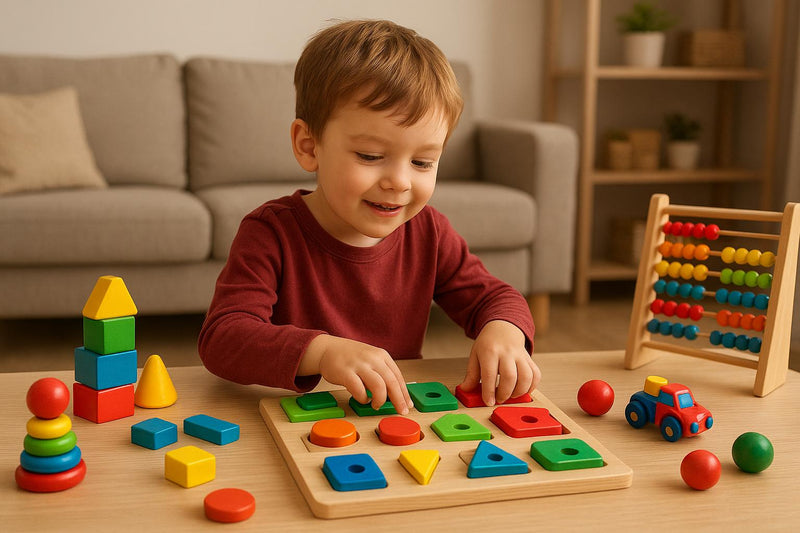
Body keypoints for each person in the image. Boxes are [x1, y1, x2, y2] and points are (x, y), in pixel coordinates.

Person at [198, 19, 539, 415]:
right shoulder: (270, 232)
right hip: (297, 421)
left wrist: (504, 330)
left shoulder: (428, 231)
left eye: (423, 162)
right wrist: (321, 351)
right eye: (371, 156)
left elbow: (496, 297)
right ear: (309, 146)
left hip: (393, 423)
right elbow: (223, 338)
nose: (399, 181)